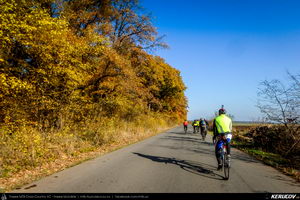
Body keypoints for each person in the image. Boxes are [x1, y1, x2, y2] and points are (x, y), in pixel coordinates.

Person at [213, 106, 232, 170]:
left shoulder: (216, 119)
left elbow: (214, 129)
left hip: (220, 136)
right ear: (225, 113)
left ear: (219, 113)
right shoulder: (229, 119)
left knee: (217, 150)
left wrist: (214, 136)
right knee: (227, 142)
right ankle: (228, 155)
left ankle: (220, 164)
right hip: (228, 135)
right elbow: (230, 128)